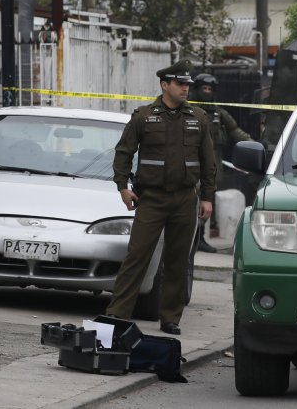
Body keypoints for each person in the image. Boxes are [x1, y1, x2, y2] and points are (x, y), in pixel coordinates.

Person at [105, 59, 216, 335]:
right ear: (164, 85)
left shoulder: (198, 118)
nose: (185, 88)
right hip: (151, 199)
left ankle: (170, 318)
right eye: (180, 83)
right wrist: (122, 186)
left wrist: (207, 197)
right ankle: (117, 314)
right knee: (137, 256)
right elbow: (123, 153)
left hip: (184, 199)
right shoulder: (144, 116)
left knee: (177, 261)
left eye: (187, 84)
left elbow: (208, 161)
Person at [190, 72, 253, 252]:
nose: (207, 92)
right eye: (204, 88)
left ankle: (200, 236)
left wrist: (254, 143)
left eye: (210, 89)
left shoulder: (218, 112)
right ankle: (192, 237)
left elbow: (235, 131)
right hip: (193, 160)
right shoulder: (188, 109)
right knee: (193, 200)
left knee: (207, 199)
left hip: (213, 162)